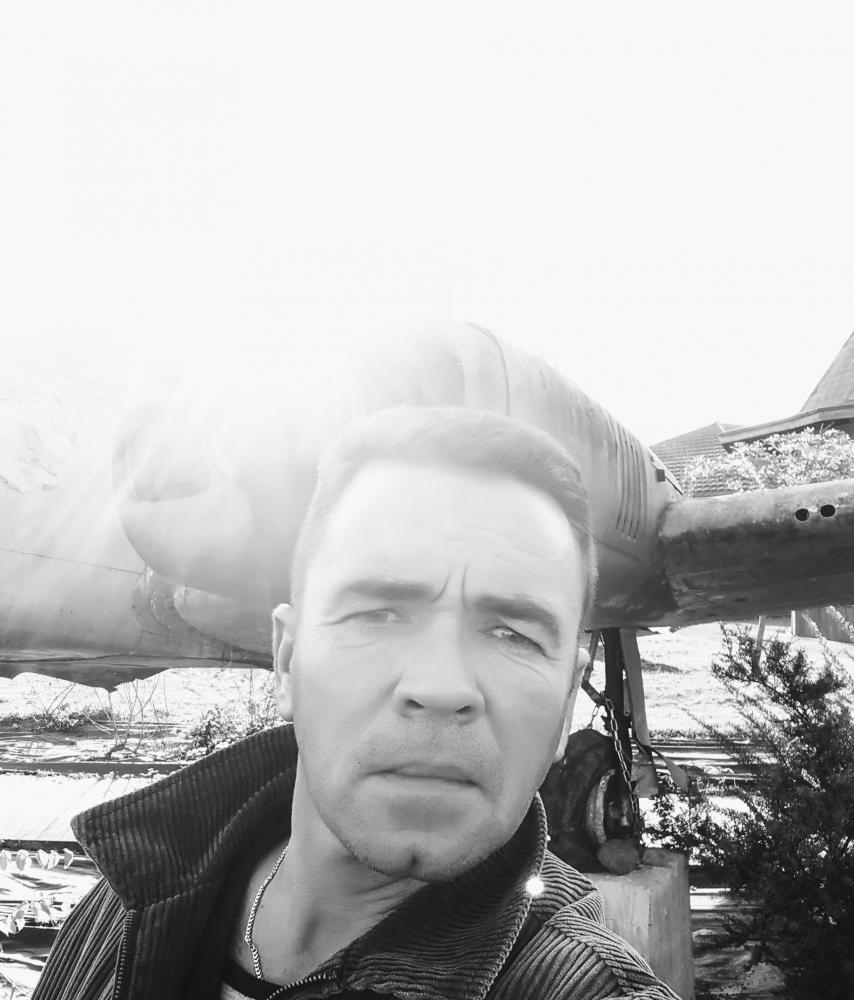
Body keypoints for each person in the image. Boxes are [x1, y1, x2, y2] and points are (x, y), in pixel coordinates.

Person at [34, 406, 680, 1000]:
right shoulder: (122, 908)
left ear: (567, 701)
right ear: (287, 661)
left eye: (513, 634)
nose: (440, 685)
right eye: (377, 613)